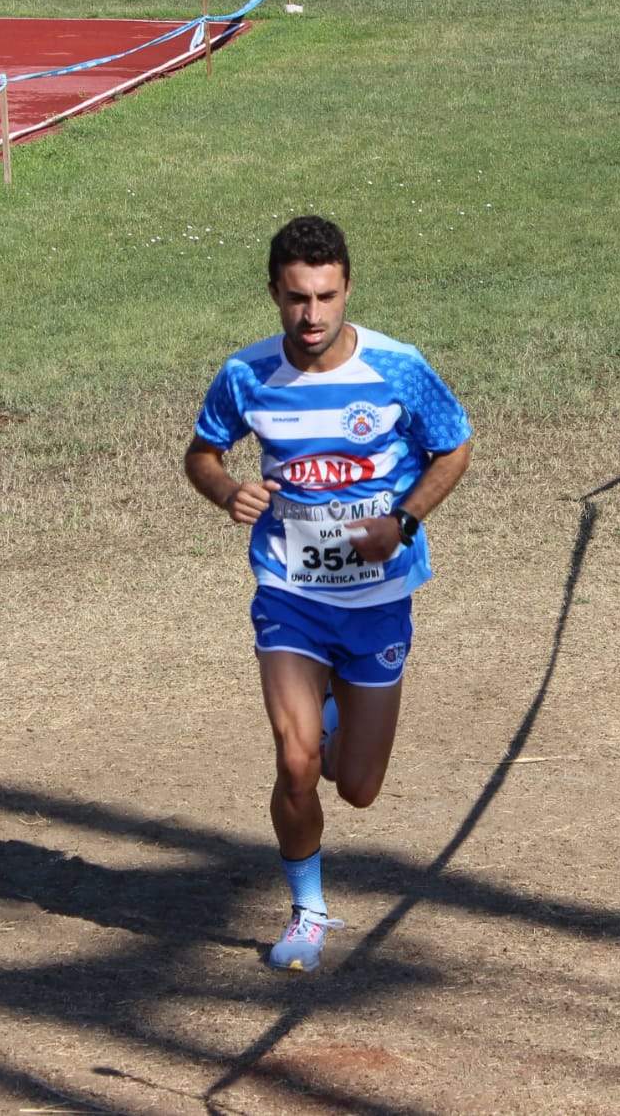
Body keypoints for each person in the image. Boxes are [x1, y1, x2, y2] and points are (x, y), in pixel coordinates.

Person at [184, 215, 473, 972]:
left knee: (361, 786)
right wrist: (227, 492)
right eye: (296, 298)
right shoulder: (246, 374)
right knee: (296, 758)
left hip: (377, 598)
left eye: (326, 296)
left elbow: (455, 445)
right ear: (273, 294)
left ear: (347, 288)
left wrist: (403, 522)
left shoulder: (397, 368)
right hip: (290, 593)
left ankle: (337, 708)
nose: (312, 316)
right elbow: (203, 454)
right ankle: (308, 910)